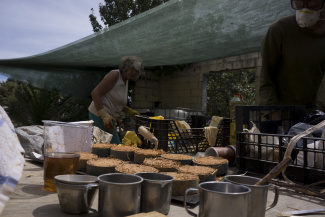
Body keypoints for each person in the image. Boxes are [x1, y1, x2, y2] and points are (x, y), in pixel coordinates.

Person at [258, 0, 325, 114]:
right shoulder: (279, 30)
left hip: (310, 115)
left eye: (313, 3)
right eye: (299, 3)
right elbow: (266, 78)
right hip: (279, 113)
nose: (305, 9)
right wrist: (273, 113)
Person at [88, 56, 142, 144]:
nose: (134, 72)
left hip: (108, 118)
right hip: (99, 115)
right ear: (126, 66)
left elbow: (115, 102)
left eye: (136, 71)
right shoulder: (115, 75)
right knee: (113, 147)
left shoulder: (126, 80)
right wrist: (104, 115)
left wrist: (130, 111)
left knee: (105, 147)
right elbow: (95, 93)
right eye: (132, 69)